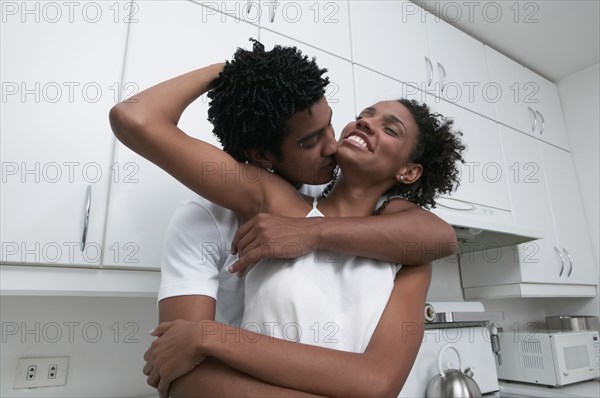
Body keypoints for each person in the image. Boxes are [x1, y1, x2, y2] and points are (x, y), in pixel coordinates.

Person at [110, 41, 464, 397]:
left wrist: (210, 335)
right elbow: (136, 118)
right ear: (264, 156)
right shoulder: (272, 201)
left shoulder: (411, 254)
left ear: (408, 171)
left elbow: (377, 382)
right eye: (365, 115)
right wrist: (236, 69)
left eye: (390, 129)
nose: (365, 123)